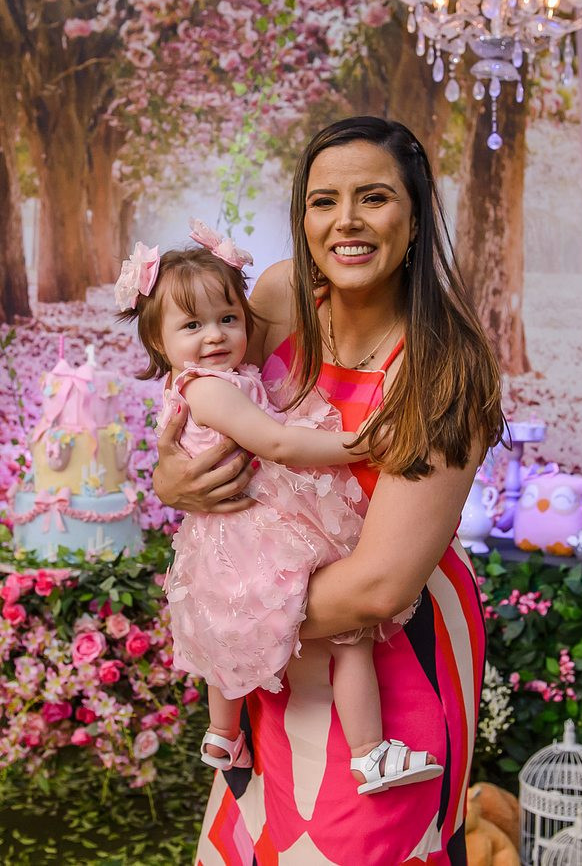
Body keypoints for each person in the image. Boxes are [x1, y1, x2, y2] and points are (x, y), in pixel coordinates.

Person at [153, 117, 504, 864]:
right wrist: (172, 480)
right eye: (323, 201)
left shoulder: (444, 365)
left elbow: (379, 588)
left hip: (384, 647)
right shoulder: (279, 297)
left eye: (373, 197)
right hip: (279, 646)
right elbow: (214, 412)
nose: (345, 221)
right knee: (259, 837)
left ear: (416, 217)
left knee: (355, 844)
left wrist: (228, 614)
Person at [115, 220, 443, 796]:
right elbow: (279, 444)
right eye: (192, 325)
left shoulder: (226, 377)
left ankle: (225, 735)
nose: (215, 336)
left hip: (244, 527)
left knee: (235, 635)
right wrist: (362, 444)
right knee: (349, 638)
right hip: (254, 530)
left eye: (228, 318)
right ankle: (366, 752)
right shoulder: (207, 388)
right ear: (160, 345)